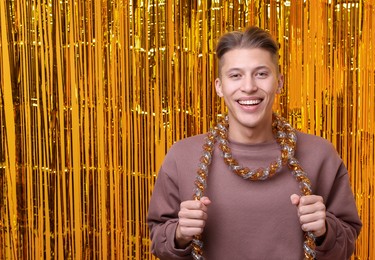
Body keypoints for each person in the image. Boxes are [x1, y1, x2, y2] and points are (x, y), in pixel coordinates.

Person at [147, 26, 362, 260]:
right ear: (220, 87)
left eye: (261, 74)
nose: (248, 87)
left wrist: (324, 230)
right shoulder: (182, 156)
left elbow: (347, 242)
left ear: (279, 82)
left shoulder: (320, 154)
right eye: (235, 75)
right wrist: (179, 234)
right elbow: (159, 241)